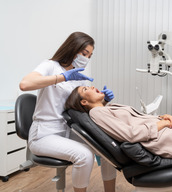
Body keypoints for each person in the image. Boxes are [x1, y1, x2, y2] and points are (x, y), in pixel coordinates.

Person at [19, 32, 116, 192]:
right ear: (73, 48)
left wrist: (104, 101)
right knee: (84, 156)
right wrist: (62, 77)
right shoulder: (50, 66)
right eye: (84, 53)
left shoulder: (80, 78)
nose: (86, 58)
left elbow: (84, 109)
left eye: (89, 56)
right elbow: (25, 84)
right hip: (44, 134)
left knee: (107, 149)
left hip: (67, 131)